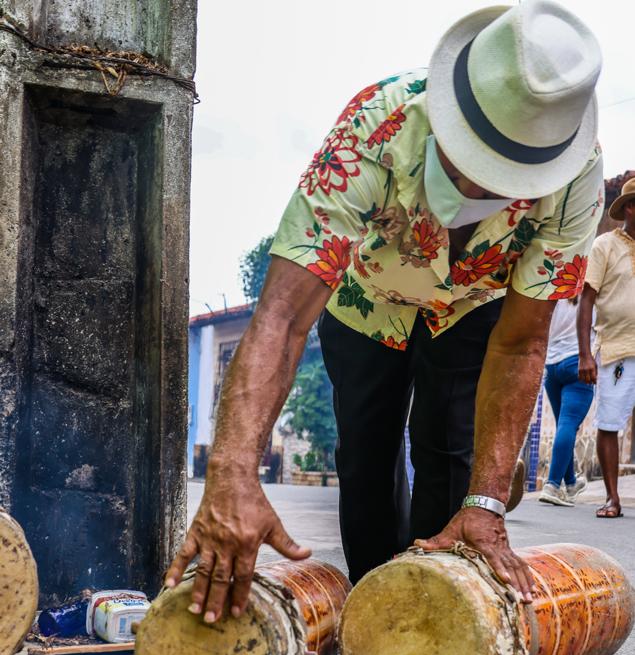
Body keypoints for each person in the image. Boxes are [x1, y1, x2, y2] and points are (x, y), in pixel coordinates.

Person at [167, 1, 604, 620]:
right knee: (366, 457)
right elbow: (283, 318)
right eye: (472, 162)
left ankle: (438, 612)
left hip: (473, 306)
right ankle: (374, 612)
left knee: (450, 457)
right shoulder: (378, 124)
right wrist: (232, 472)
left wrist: (486, 503)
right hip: (365, 299)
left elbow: (522, 342)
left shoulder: (577, 173)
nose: (477, 190)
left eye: (504, 176)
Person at [579, 177, 635, 518]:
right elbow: (587, 299)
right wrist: (585, 354)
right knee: (610, 421)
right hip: (617, 350)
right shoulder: (604, 245)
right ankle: (613, 498)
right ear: (629, 208)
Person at [539, 298, 594, 506]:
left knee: (564, 426)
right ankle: (552, 485)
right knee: (568, 424)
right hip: (578, 362)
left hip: (552, 365)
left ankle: (570, 483)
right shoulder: (588, 292)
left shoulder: (555, 290)